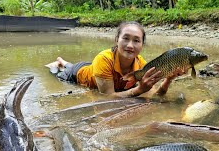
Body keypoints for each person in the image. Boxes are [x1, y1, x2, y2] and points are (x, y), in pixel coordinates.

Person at [45, 21, 186, 98]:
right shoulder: (103, 59)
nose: (130, 45)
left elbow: (155, 95)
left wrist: (168, 79)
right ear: (116, 40)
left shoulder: (141, 64)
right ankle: (59, 64)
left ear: (142, 45)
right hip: (77, 75)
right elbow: (108, 96)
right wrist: (139, 90)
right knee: (56, 72)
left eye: (136, 41)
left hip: (94, 69)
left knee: (70, 65)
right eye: (125, 39)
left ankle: (63, 61)